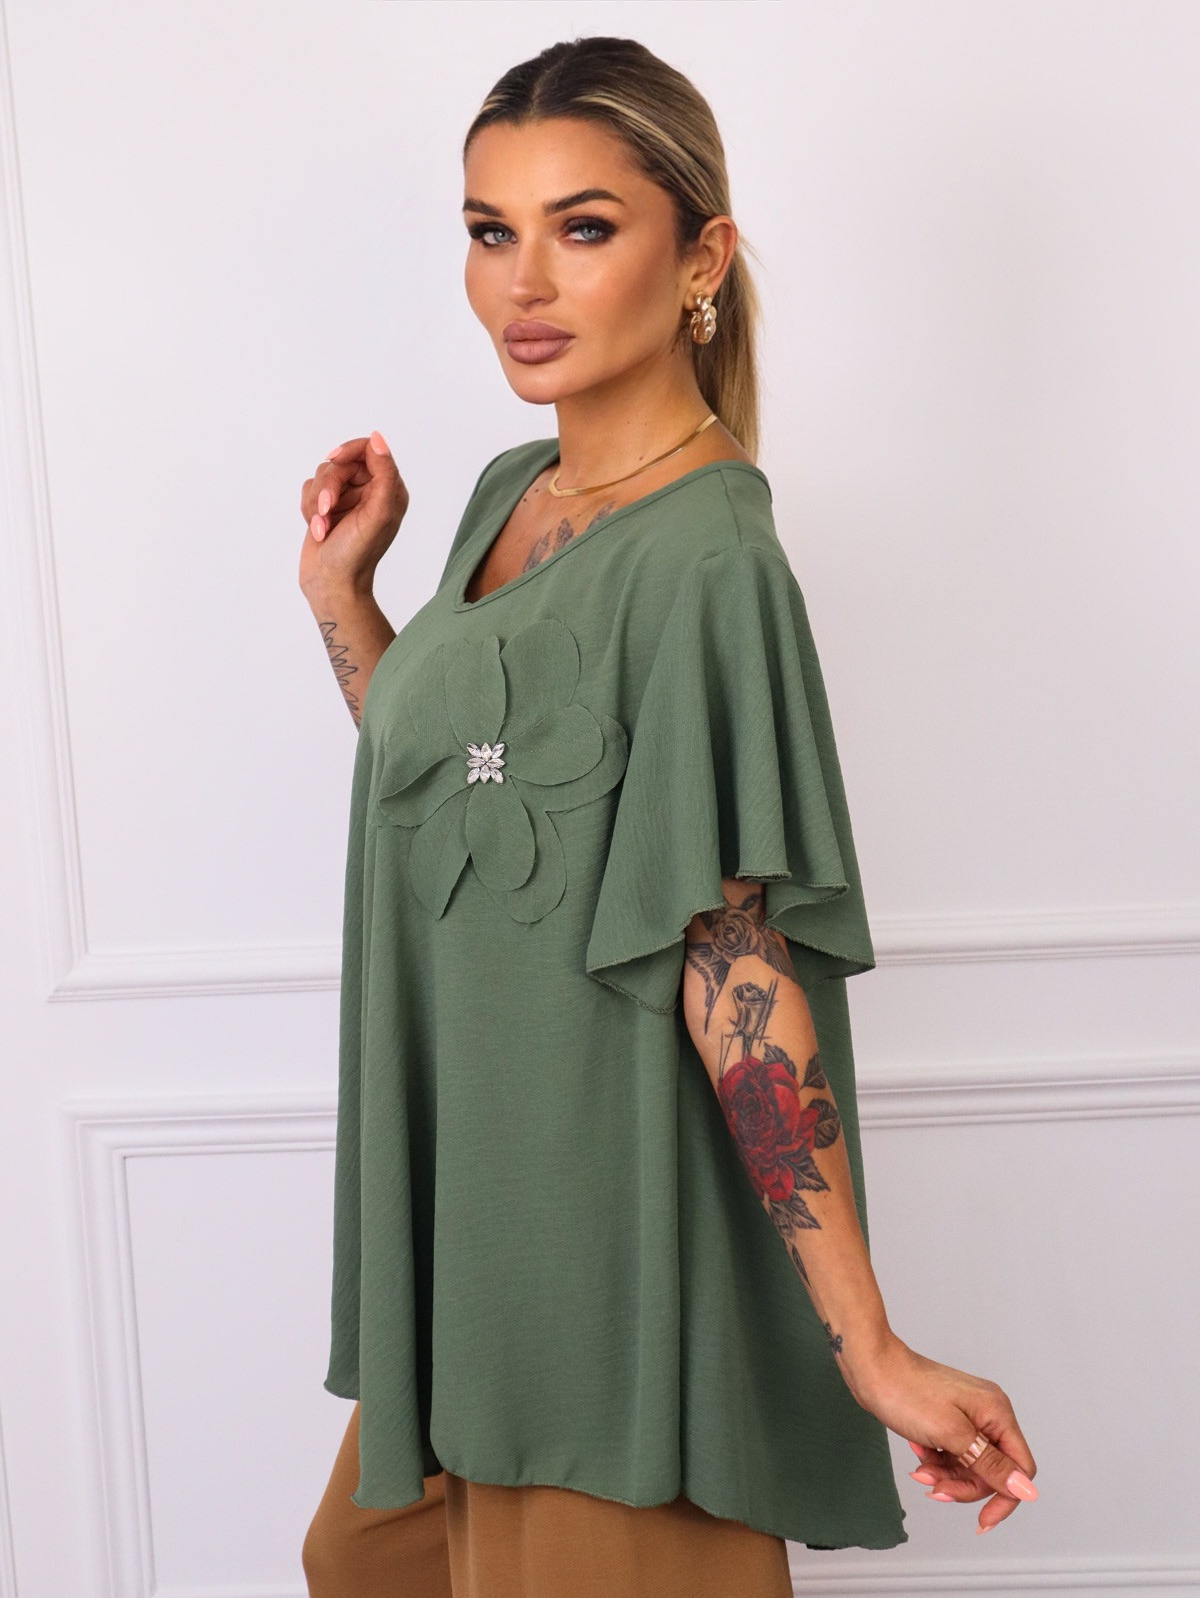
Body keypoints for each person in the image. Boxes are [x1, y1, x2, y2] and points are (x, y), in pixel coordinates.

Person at [295, 34, 1038, 1598]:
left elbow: (736, 960)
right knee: (362, 1563)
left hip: (601, 1258)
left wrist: (870, 1341)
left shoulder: (711, 563)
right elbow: (487, 810)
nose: (523, 282)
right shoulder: (511, 492)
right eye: (491, 230)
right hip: (475, 1239)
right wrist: (346, 599)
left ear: (700, 258)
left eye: (583, 226)